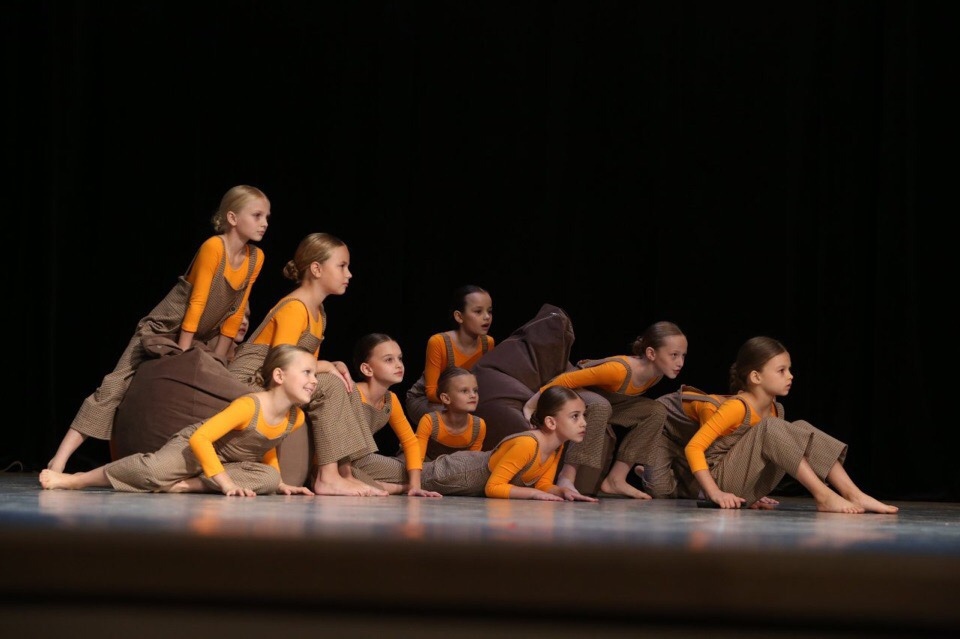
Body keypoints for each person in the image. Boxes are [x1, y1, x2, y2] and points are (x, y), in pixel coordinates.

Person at [49, 185, 270, 473]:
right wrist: (182, 352)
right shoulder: (214, 248)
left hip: (203, 335)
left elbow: (236, 311)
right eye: (257, 215)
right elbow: (197, 301)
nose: (264, 223)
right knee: (114, 385)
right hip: (166, 327)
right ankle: (60, 458)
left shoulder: (255, 258)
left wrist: (218, 358)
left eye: (267, 217)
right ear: (232, 217)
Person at [39, 345, 318, 497]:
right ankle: (79, 480)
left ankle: (185, 485)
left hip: (228, 463)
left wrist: (279, 482)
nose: (314, 380)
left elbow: (268, 443)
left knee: (269, 479)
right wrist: (225, 484)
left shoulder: (295, 418)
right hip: (195, 448)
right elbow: (200, 438)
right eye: (307, 372)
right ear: (279, 376)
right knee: (154, 470)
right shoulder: (249, 406)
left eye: (315, 374)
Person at [684, 336, 898, 514]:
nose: (790, 376)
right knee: (771, 427)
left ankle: (853, 493)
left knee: (801, 427)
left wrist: (751, 490)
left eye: (789, 369)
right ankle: (823, 495)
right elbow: (693, 448)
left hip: (740, 484)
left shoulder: (776, 409)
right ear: (756, 377)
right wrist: (715, 493)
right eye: (781, 371)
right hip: (718, 482)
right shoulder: (737, 406)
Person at [227, 232, 358, 490]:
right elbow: (282, 363)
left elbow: (307, 366)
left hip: (282, 377)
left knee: (344, 385)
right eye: (342, 266)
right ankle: (327, 478)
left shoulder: (319, 312)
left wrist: (333, 365)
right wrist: (325, 367)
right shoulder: (295, 307)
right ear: (316, 269)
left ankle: (344, 473)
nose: (349, 274)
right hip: (253, 379)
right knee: (330, 385)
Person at [522, 321, 688, 499]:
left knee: (656, 411)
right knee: (601, 406)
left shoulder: (657, 374)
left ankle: (616, 479)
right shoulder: (619, 370)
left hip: (607, 403)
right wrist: (531, 405)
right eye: (674, 355)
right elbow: (567, 380)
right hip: (578, 394)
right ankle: (566, 477)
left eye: (683, 356)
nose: (680, 362)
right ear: (651, 353)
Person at [310, 333, 442, 498]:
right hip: (332, 461)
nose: (398, 365)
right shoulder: (351, 391)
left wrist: (415, 486)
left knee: (409, 472)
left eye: (400, 358)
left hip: (362, 461)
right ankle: (396, 488)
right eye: (389, 360)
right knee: (394, 475)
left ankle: (404, 486)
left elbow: (410, 441)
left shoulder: (390, 400)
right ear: (367, 369)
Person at [421, 386, 599, 501]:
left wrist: (562, 491)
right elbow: (493, 488)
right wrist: (534, 494)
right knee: (407, 476)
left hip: (464, 483)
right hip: (452, 473)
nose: (584, 423)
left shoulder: (556, 446)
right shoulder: (527, 444)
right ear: (551, 422)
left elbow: (542, 484)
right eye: (575, 416)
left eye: (583, 416)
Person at [405, 285, 494, 426]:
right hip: (427, 400)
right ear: (459, 316)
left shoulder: (487, 343)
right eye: (478, 311)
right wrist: (463, 402)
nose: (487, 317)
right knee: (456, 417)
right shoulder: (439, 342)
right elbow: (431, 392)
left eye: (489, 311)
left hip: (464, 400)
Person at [637, 385, 729, 499]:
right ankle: (654, 476)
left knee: (697, 493)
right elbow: (710, 453)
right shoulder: (712, 408)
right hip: (663, 433)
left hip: (688, 442)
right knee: (659, 492)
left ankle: (664, 475)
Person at [413, 366, 487, 462]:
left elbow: (472, 463)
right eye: (464, 391)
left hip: (458, 469)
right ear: (446, 398)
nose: (473, 395)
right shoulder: (429, 422)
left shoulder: (479, 426)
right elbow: (417, 460)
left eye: (475, 390)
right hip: (427, 466)